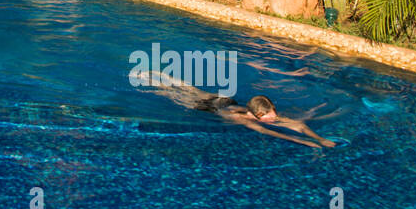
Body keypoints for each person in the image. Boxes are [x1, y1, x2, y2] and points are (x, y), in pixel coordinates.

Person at [141, 72, 336, 148]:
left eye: (273, 114)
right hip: (213, 109)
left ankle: (163, 76)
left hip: (227, 101)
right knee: (178, 97)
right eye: (269, 116)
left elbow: (298, 124)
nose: (273, 118)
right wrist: (304, 142)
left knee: (195, 90)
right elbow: (269, 131)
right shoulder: (244, 120)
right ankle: (158, 83)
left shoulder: (261, 113)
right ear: (255, 115)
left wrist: (319, 138)